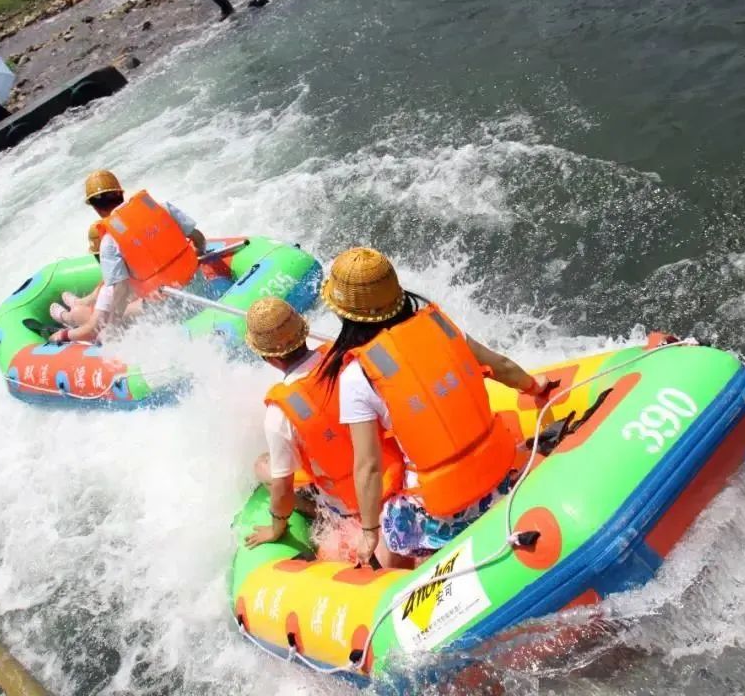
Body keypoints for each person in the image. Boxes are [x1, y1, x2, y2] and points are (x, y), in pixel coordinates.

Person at [318, 247, 554, 565]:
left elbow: (368, 468)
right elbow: (502, 367)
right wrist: (534, 387)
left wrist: (370, 532)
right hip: (499, 478)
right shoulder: (440, 327)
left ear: (342, 312)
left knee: (388, 527)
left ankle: (401, 578)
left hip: (441, 508)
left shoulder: (357, 376)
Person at [242, 298, 405, 563]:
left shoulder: (279, 414)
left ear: (267, 358)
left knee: (264, 467)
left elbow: (282, 491)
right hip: (398, 470)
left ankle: (318, 512)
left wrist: (276, 528)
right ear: (305, 332)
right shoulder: (350, 358)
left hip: (355, 502)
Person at [48, 170, 207, 344]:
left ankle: (73, 315)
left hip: (169, 313)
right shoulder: (162, 208)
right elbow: (198, 238)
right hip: (201, 290)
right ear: (121, 194)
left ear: (94, 207)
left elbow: (121, 289)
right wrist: (195, 258)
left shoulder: (110, 241)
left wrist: (113, 328)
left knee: (112, 319)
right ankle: (77, 308)